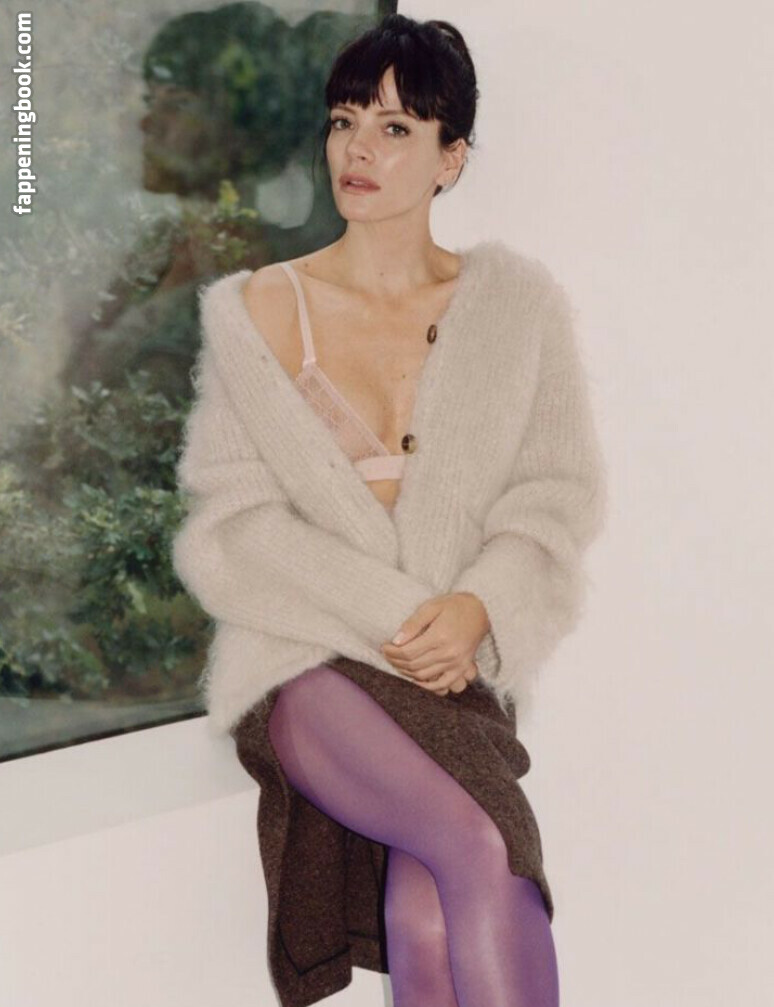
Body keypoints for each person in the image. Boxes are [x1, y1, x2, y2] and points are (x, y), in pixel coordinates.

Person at [171, 13, 607, 1007]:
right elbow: (231, 527)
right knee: (480, 845)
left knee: (428, 916)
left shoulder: (518, 304)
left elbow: (555, 497)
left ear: (452, 158)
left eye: (396, 127)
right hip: (311, 665)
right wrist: (401, 616)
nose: (358, 148)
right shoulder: (256, 310)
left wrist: (480, 605)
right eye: (345, 120)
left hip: (456, 675)